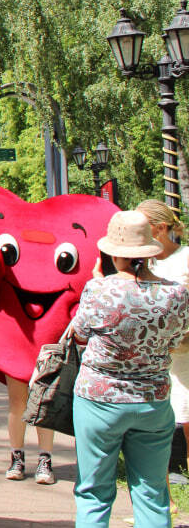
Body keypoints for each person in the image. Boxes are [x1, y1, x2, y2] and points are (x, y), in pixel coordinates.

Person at [70, 210, 189, 528]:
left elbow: (78, 333)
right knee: (152, 494)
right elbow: (175, 340)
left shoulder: (98, 289)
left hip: (98, 400)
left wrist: (98, 282)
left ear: (113, 253)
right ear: (149, 251)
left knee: (94, 493)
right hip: (152, 401)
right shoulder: (177, 293)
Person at [142, 198, 189, 477]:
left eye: (143, 225)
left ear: (160, 228)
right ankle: (167, 470)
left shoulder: (185, 258)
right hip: (152, 353)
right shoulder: (142, 262)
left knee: (185, 409)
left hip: (183, 350)